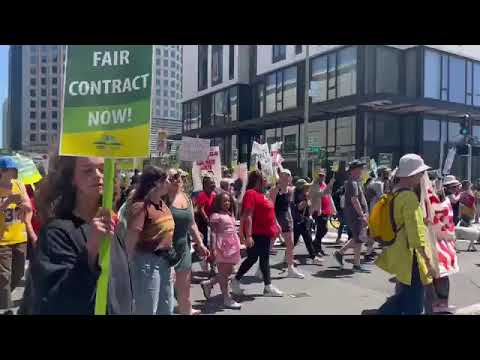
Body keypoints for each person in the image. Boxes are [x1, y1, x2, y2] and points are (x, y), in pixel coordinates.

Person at [31, 156, 133, 315]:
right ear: (71, 178)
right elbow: (58, 300)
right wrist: (91, 249)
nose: (98, 175)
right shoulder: (57, 232)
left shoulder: (115, 226)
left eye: (103, 169)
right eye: (87, 170)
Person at [374, 154, 435, 315]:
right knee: (414, 303)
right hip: (411, 256)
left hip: (398, 252)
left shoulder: (394, 192)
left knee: (404, 296)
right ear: (412, 175)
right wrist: (428, 260)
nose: (422, 176)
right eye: (420, 173)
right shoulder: (409, 197)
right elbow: (416, 233)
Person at [124, 166, 175, 315]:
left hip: (165, 262)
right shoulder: (140, 207)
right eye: (166, 180)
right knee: (147, 308)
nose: (169, 183)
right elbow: (131, 240)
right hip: (146, 263)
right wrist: (126, 268)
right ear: (156, 183)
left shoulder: (162, 205)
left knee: (166, 307)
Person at [232, 170, 283, 297]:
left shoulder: (263, 194)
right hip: (257, 234)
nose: (267, 181)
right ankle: (239, 280)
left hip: (265, 234)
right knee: (254, 259)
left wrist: (276, 226)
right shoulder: (251, 193)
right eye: (264, 179)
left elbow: (269, 212)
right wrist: (247, 236)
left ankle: (266, 286)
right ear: (258, 180)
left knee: (259, 259)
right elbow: (247, 215)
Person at [165, 168, 209, 315]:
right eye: (173, 177)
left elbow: (192, 224)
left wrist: (200, 244)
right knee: (164, 292)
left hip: (183, 249)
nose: (177, 179)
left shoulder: (186, 198)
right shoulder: (162, 199)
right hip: (164, 251)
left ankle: (186, 309)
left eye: (178, 176)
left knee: (184, 291)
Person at [0, 157, 32, 315]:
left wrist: (22, 204)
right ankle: (5, 308)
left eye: (15, 170)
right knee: (4, 276)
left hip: (20, 236)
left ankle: (2, 297)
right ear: (2, 171)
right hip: (2, 240)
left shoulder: (19, 185)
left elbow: (28, 205)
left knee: (19, 273)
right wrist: (6, 203)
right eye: (11, 170)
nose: (14, 173)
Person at [200, 192, 242, 309]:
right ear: (218, 202)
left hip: (232, 246)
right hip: (222, 246)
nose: (227, 203)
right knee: (224, 274)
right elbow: (213, 233)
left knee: (228, 272)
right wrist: (213, 248)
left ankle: (209, 284)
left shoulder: (229, 214)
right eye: (224, 201)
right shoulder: (216, 216)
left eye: (228, 201)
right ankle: (226, 298)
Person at [333, 160, 370, 273]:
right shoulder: (352, 183)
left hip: (356, 215)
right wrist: (362, 214)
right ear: (354, 170)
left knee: (358, 239)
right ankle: (344, 256)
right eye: (360, 168)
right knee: (359, 238)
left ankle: (350, 259)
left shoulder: (355, 182)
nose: (362, 170)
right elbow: (354, 200)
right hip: (356, 215)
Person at [270, 168, 304, 279]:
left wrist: (290, 219)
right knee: (269, 246)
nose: (285, 178)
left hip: (287, 220)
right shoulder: (275, 190)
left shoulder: (290, 190)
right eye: (283, 176)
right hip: (276, 219)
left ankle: (290, 269)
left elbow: (288, 206)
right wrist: (275, 222)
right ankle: (260, 268)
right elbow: (271, 208)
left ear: (290, 179)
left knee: (290, 245)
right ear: (280, 177)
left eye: (287, 176)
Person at [292, 179, 324, 265]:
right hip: (299, 221)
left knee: (307, 240)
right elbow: (299, 207)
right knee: (297, 240)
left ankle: (313, 257)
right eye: (306, 187)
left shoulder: (304, 195)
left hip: (303, 221)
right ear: (301, 188)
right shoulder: (299, 196)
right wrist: (306, 200)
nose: (308, 188)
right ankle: (287, 257)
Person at [309, 169, 335, 256]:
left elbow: (328, 195)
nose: (321, 177)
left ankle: (317, 246)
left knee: (321, 229)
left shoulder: (323, 184)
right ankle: (316, 246)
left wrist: (332, 209)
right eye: (320, 175)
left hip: (325, 209)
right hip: (317, 210)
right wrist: (330, 184)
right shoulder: (314, 185)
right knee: (322, 229)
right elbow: (321, 194)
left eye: (323, 175)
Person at [195, 176, 217, 273]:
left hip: (212, 221)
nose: (213, 185)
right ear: (205, 186)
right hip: (203, 222)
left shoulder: (214, 194)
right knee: (205, 243)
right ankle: (204, 261)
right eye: (210, 183)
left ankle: (212, 265)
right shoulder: (202, 195)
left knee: (212, 244)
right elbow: (201, 209)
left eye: (214, 183)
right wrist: (207, 220)